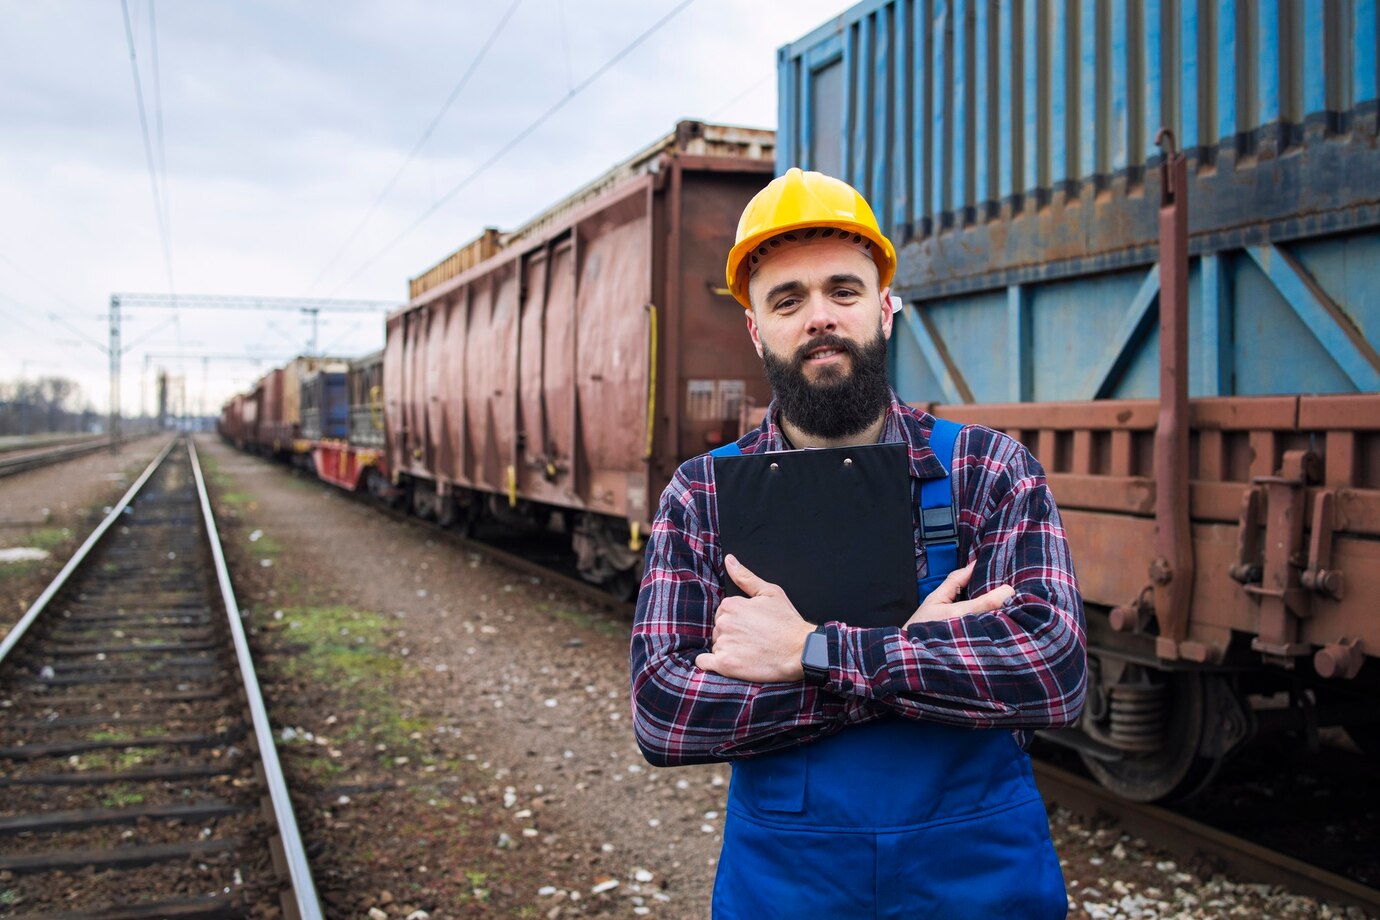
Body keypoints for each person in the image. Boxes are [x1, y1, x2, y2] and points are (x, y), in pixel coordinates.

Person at [629, 167, 1086, 918]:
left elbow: (1053, 670)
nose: (819, 317)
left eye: (842, 291)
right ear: (755, 329)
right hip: (788, 886)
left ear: (884, 307)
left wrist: (811, 654)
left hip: (979, 884)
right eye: (787, 299)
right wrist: (911, 660)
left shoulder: (988, 469)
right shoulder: (702, 493)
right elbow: (665, 710)